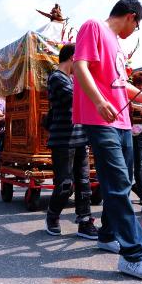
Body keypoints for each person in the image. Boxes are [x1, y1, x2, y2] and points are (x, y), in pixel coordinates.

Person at [72, 0, 142, 281]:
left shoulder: (117, 46)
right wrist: (99, 102)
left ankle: (107, 234)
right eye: (136, 25)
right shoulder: (94, 27)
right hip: (100, 120)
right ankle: (134, 256)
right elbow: (80, 67)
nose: (134, 30)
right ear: (131, 16)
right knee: (118, 185)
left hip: (122, 122)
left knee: (120, 183)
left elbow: (122, 85)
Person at [44, 43, 98, 239]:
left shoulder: (73, 79)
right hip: (62, 140)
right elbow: (76, 98)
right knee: (65, 184)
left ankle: (84, 221)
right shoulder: (56, 77)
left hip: (80, 138)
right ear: (73, 57)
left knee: (84, 182)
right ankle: (52, 216)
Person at [130, 71, 142, 203]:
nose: (141, 87)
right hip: (132, 134)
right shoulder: (130, 99)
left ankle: (138, 187)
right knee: (139, 165)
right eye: (138, 84)